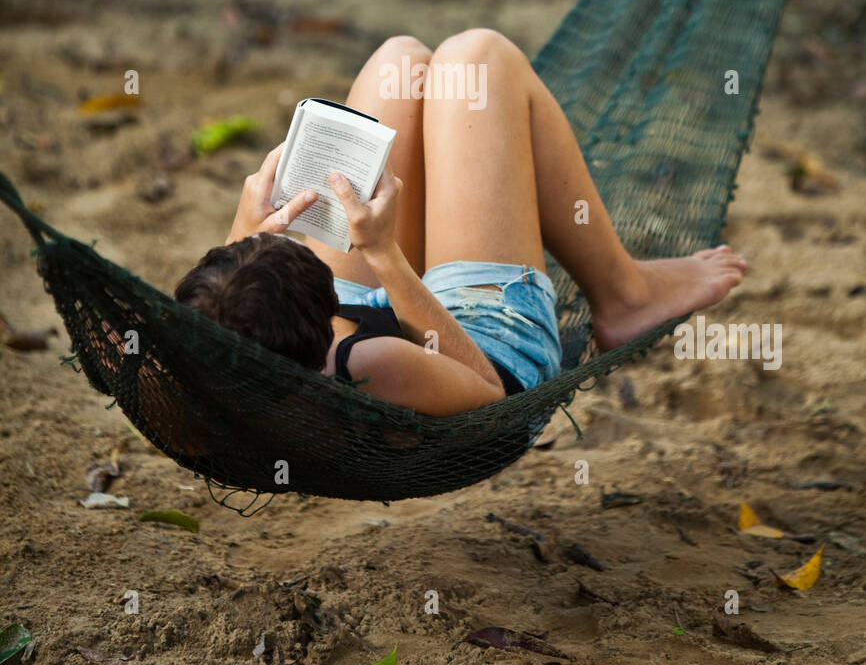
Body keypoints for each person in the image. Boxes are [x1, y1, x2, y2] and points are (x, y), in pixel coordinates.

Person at [175, 30, 747, 417]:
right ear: (320, 307)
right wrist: (384, 255)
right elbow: (487, 392)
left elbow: (218, 326)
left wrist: (247, 226)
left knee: (401, 62)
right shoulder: (376, 365)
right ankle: (624, 294)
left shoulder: (206, 354)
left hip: (348, 316)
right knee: (476, 59)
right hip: (477, 341)